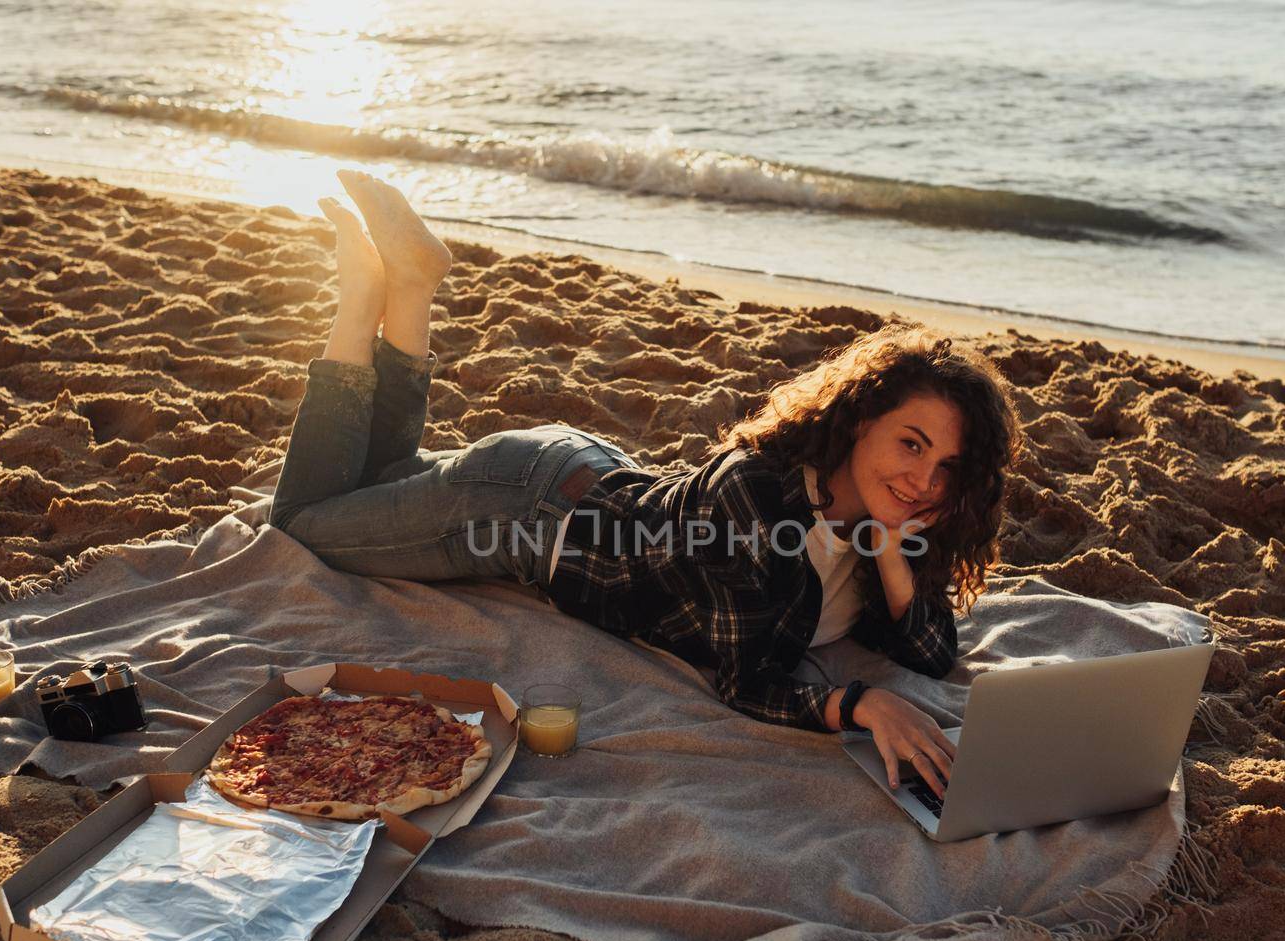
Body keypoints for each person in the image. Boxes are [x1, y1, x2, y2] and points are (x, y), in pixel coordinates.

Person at [270, 170, 1022, 801]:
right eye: (911, 444)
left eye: (949, 468)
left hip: (588, 474)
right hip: (527, 510)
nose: (925, 479)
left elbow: (930, 649)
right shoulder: (755, 497)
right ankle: (365, 299)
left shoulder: (882, 518)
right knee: (307, 519)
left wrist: (891, 545)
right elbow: (746, 677)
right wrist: (860, 703)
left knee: (381, 483)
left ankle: (408, 292)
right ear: (861, 421)